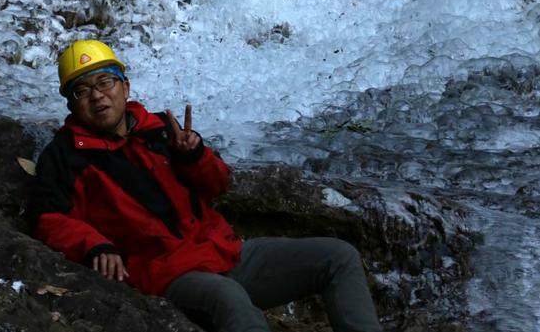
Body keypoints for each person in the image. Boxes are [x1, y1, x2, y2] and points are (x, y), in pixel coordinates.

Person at [31, 39, 381, 332]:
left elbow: (219, 184)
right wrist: (95, 246)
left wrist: (194, 155)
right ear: (71, 104)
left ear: (125, 86)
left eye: (104, 82)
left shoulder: (160, 131)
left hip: (222, 251)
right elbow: (49, 219)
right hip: (164, 272)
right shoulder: (64, 157)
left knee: (338, 257)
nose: (97, 96)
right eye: (82, 90)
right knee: (229, 299)